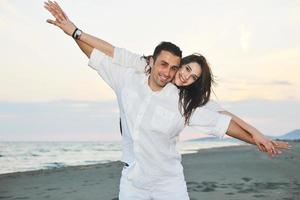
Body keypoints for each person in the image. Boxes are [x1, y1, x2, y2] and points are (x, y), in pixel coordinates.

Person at [44, 1, 290, 199]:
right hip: (132, 182)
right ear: (151, 61)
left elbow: (224, 124)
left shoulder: (184, 103)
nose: (170, 72)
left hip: (168, 184)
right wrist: (73, 32)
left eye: (176, 69)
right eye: (165, 65)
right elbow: (99, 55)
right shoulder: (128, 79)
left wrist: (256, 138)